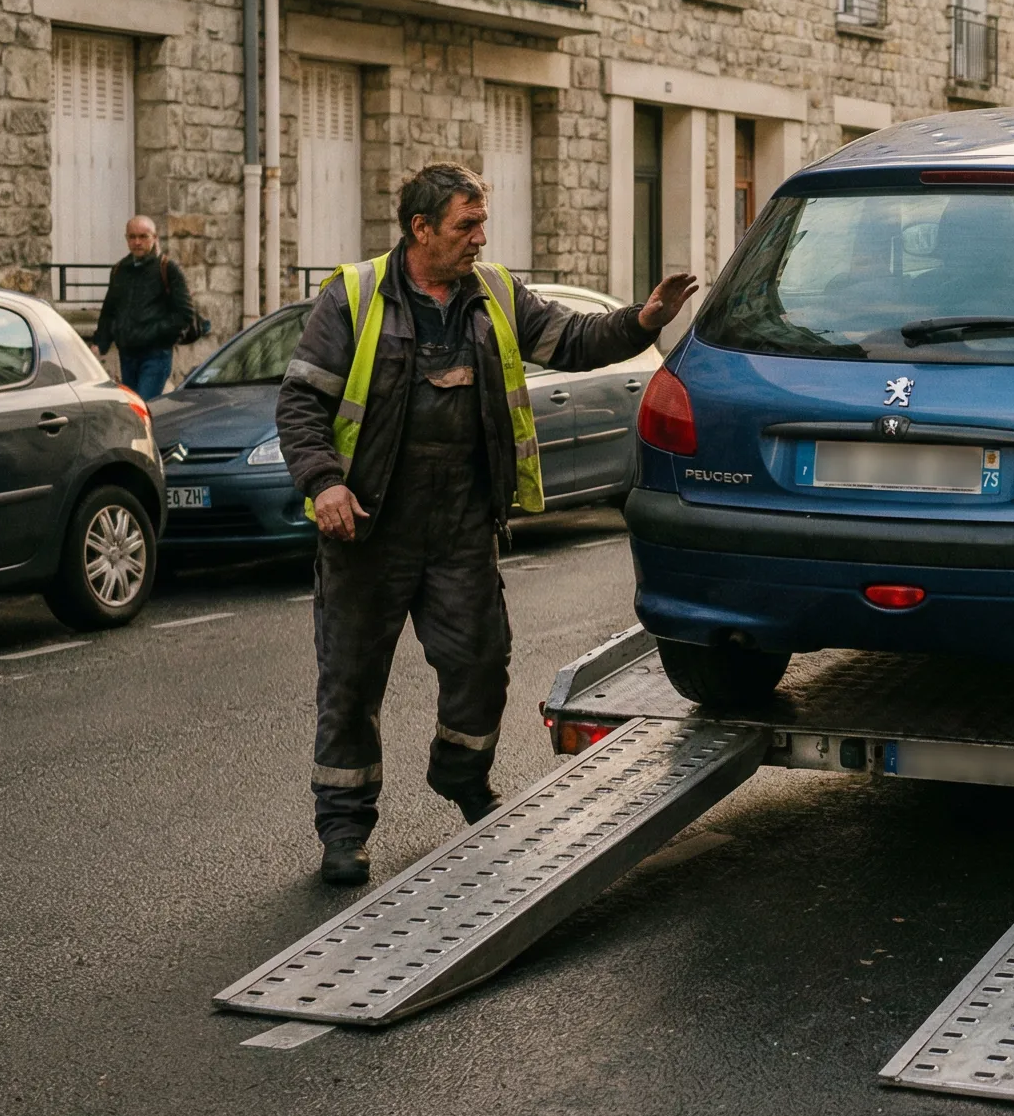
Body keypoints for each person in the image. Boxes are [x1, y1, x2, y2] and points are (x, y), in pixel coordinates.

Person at [277, 162, 699, 886]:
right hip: (370, 530)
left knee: (480, 663)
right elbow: (300, 405)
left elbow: (571, 340)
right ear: (420, 230)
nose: (480, 238)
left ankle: (460, 773)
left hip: (461, 524)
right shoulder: (352, 298)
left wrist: (643, 321)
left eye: (481, 223)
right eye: (465, 225)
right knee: (350, 682)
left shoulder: (496, 293)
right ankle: (344, 829)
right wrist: (325, 484)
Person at [92, 216, 199, 398]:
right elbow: (109, 310)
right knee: (134, 407)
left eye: (143, 236)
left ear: (154, 237)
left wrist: (155, 333)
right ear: (126, 239)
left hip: (155, 354)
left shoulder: (168, 268)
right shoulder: (120, 270)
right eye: (132, 237)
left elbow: (184, 313)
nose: (137, 242)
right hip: (127, 353)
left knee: (145, 403)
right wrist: (99, 343)